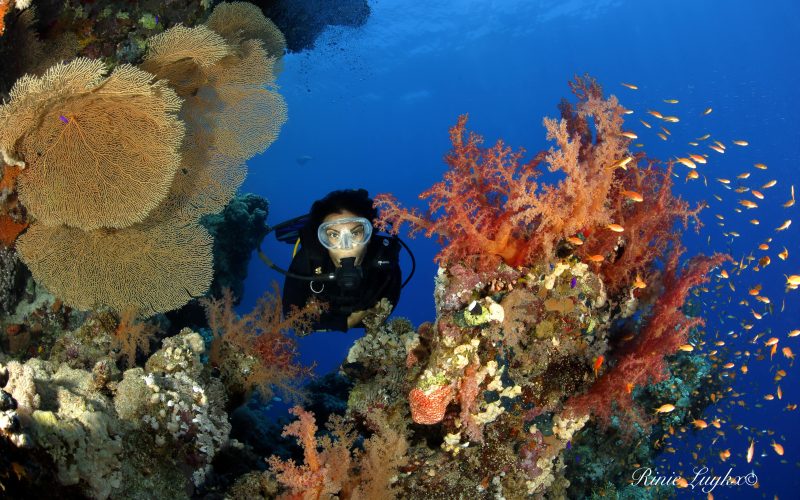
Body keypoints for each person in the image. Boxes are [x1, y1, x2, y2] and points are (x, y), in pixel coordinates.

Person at [280, 189, 403, 332]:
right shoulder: (307, 261)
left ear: (369, 236)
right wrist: (345, 322)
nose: (346, 246)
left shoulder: (385, 262)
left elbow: (389, 303)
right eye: (333, 235)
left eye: (356, 233)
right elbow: (293, 320)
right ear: (322, 240)